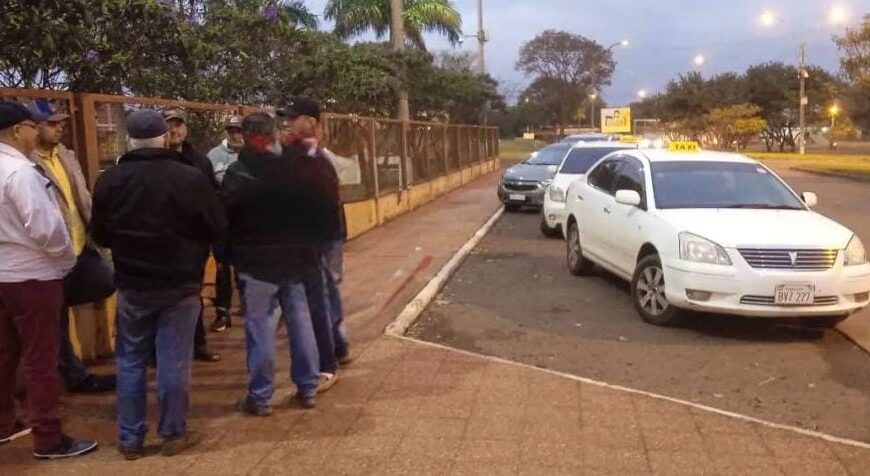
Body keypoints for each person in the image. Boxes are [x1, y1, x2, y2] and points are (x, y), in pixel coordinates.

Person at [91, 109, 227, 459]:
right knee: (173, 360)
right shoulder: (190, 178)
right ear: (164, 137)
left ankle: (130, 439)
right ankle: (173, 433)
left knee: (131, 361)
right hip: (180, 283)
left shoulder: (110, 180)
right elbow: (215, 226)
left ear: (129, 140)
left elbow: (102, 235)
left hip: (133, 284)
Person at [0, 101, 98, 459]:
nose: (34, 133)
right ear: (17, 131)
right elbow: (46, 229)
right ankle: (48, 439)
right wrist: (65, 259)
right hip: (33, 276)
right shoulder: (21, 172)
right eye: (31, 126)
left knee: (5, 354)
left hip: (3, 276)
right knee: (41, 360)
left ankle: (4, 423)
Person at [223, 112, 326, 411]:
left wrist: (230, 257)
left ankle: (261, 396)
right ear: (273, 135)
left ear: (246, 136)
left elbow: (228, 220)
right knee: (300, 323)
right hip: (294, 260)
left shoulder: (238, 173)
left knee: (261, 329)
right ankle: (308, 388)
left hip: (257, 264)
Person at [27, 100, 116, 394]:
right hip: (47, 254)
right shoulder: (26, 164)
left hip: (79, 247)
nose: (60, 128)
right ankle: (72, 375)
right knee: (55, 321)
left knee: (106, 280)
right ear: (32, 126)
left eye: (61, 123)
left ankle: (71, 368)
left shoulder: (65, 155)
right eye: (52, 123)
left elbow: (82, 196)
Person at [277, 98, 351, 375]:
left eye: (293, 118)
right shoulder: (295, 153)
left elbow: (325, 202)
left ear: (311, 123)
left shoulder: (321, 157)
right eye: (286, 118)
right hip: (317, 236)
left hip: (324, 237)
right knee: (327, 291)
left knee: (323, 292)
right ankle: (338, 347)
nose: (287, 123)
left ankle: (331, 355)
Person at [164, 110, 221, 362]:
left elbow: (211, 200)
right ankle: (163, 348)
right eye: (168, 126)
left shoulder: (200, 161)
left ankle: (198, 344)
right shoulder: (154, 161)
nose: (174, 130)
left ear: (185, 129)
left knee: (193, 294)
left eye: (178, 125)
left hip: (193, 243)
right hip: (162, 241)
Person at [207, 116, 245, 332]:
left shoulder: (251, 156)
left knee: (243, 265)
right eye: (232, 131)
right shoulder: (214, 156)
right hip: (222, 219)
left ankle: (248, 306)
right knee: (222, 267)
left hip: (244, 221)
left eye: (239, 131)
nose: (236, 135)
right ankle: (222, 313)